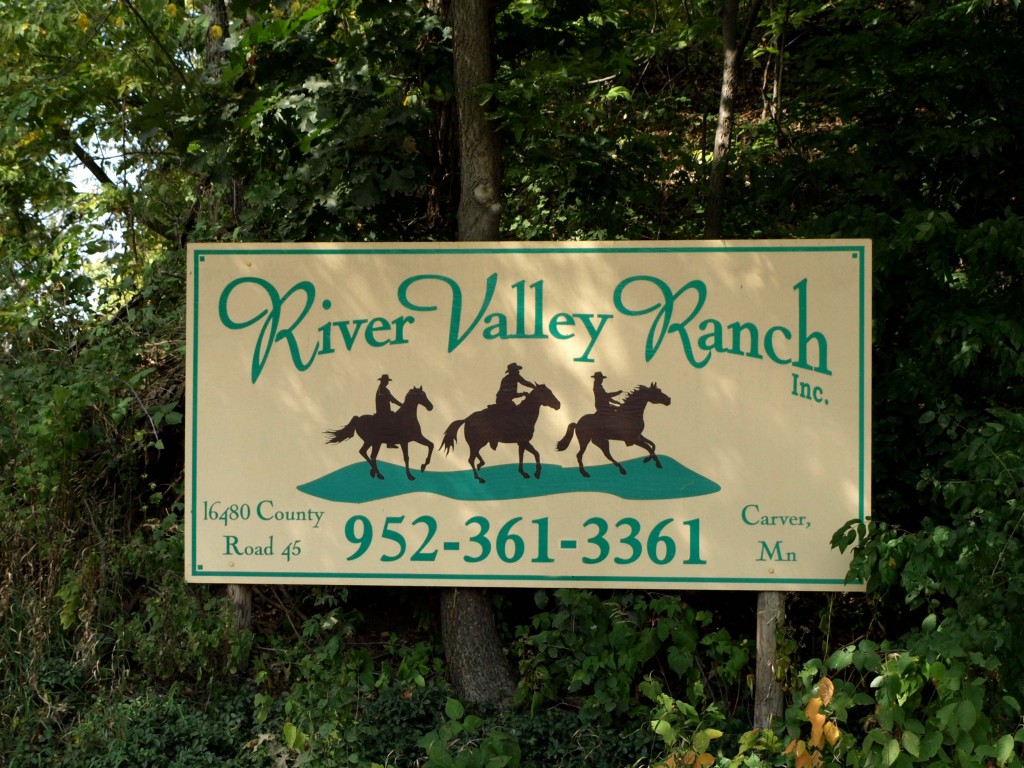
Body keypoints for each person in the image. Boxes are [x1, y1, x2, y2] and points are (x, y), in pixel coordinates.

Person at [376, 374, 402, 446]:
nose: (387, 382)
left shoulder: (381, 388)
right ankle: (390, 442)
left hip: (384, 411)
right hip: (383, 412)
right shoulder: (383, 389)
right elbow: (392, 399)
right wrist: (401, 405)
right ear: (383, 381)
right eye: (386, 381)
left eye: (387, 381)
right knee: (394, 422)